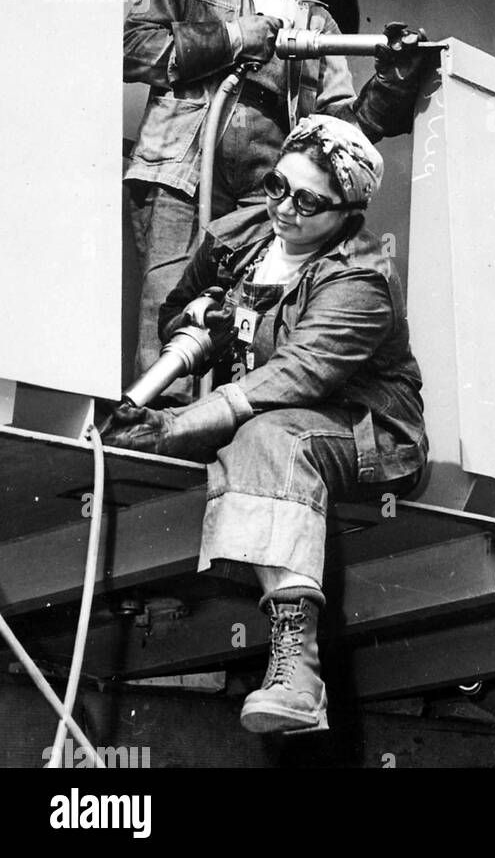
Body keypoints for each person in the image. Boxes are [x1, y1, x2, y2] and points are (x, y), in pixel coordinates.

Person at [103, 115, 427, 735]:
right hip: (260, 419)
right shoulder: (242, 234)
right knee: (251, 436)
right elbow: (176, 309)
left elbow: (296, 377)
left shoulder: (360, 279)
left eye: (309, 201)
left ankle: (299, 678)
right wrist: (199, 319)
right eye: (279, 186)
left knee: (266, 437)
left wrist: (177, 427)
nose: (285, 208)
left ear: (346, 211)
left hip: (365, 431)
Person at [124, 0, 427, 384]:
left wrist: (395, 80)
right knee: (167, 313)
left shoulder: (319, 22)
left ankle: (217, 444)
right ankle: (152, 447)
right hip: (179, 172)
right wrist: (236, 37)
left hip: (265, 191)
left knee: (245, 324)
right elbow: (132, 49)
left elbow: (339, 132)